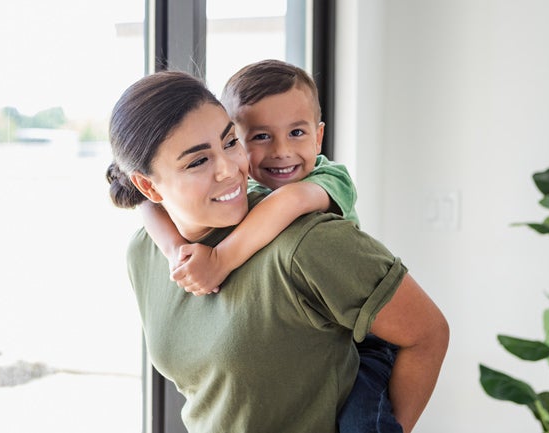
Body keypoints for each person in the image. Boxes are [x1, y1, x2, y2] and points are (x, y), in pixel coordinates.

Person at [106, 70, 449, 433]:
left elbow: (428, 333)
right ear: (147, 185)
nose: (229, 170)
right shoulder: (144, 251)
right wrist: (174, 247)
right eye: (198, 161)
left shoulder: (307, 241)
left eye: (228, 143)